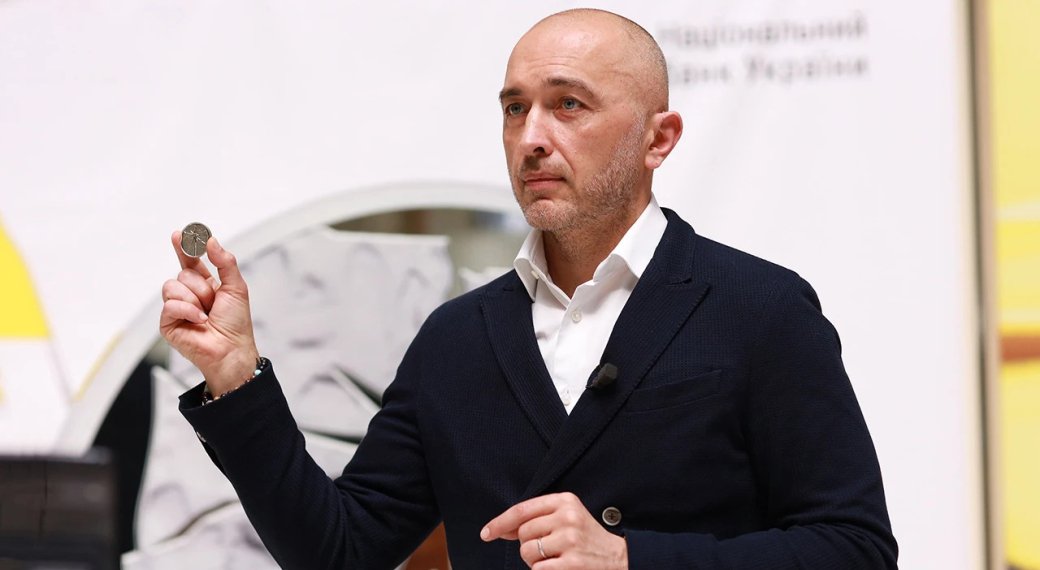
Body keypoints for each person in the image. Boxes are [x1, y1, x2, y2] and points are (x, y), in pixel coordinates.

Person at [160, 8, 897, 569]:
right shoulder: (455, 339)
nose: (532, 137)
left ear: (659, 138)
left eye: (568, 104)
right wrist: (235, 377)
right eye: (515, 108)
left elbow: (854, 548)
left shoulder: (760, 308)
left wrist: (630, 558)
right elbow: (339, 551)